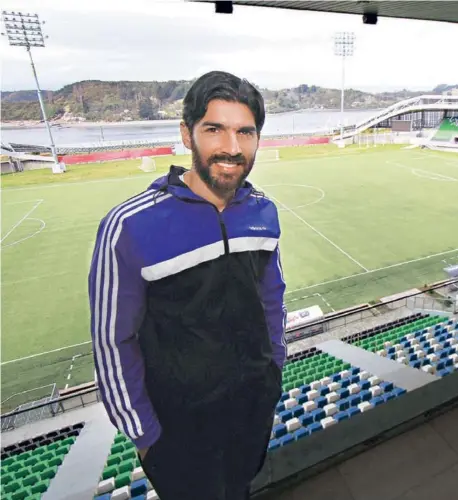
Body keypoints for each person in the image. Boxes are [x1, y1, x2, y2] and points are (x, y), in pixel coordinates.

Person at [88, 70, 287, 499]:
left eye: (245, 132)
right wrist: (145, 436)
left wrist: (273, 377)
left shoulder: (264, 212)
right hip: (177, 435)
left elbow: (272, 302)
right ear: (187, 133)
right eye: (214, 129)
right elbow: (111, 342)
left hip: (251, 416)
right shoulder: (129, 227)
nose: (232, 148)